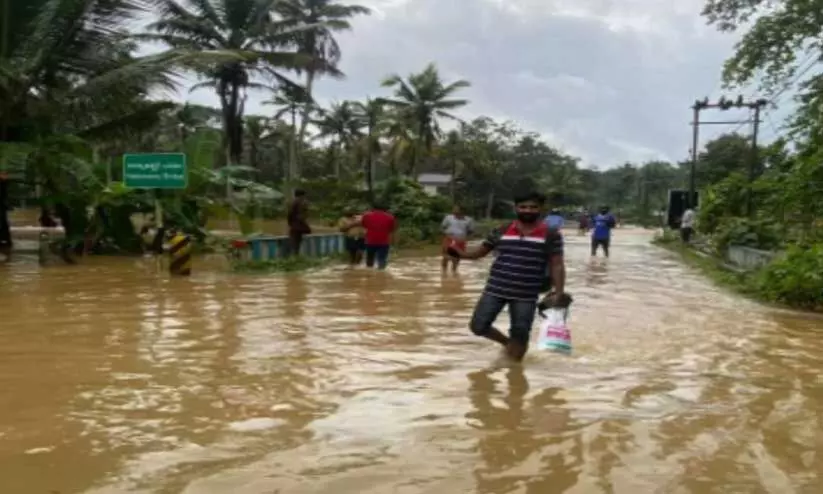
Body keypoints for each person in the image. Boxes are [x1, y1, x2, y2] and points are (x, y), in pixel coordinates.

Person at [447, 191, 566, 362]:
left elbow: (557, 264)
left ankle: (515, 374)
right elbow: (479, 253)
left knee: (521, 334)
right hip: (495, 288)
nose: (528, 210)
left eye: (533, 207)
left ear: (541, 209)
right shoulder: (501, 230)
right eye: (523, 207)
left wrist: (559, 292)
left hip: (526, 294)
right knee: (478, 326)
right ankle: (506, 343)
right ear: (516, 208)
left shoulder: (551, 234)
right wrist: (460, 254)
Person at [360, 202, 396, 270]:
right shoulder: (390, 217)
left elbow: (364, 226)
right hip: (384, 242)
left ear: (373, 208)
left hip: (370, 241)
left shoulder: (366, 216)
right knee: (382, 259)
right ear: (384, 209)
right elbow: (392, 230)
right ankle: (381, 274)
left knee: (370, 259)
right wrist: (393, 242)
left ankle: (369, 273)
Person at [441, 204, 474, 273]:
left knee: (457, 258)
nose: (454, 210)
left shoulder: (469, 220)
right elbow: (442, 228)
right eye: (454, 209)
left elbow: (471, 231)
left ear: (462, 211)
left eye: (456, 209)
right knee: (446, 257)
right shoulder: (448, 218)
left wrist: (464, 237)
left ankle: (454, 272)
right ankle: (443, 273)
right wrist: (446, 234)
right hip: (449, 239)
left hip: (460, 241)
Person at [287, 189, 311, 256]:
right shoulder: (301, 202)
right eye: (304, 196)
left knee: (294, 242)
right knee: (296, 242)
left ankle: (295, 255)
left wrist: (290, 223)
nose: (304, 198)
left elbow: (290, 214)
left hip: (296, 225)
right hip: (299, 225)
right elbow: (305, 214)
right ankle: (295, 255)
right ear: (301, 195)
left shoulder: (294, 202)